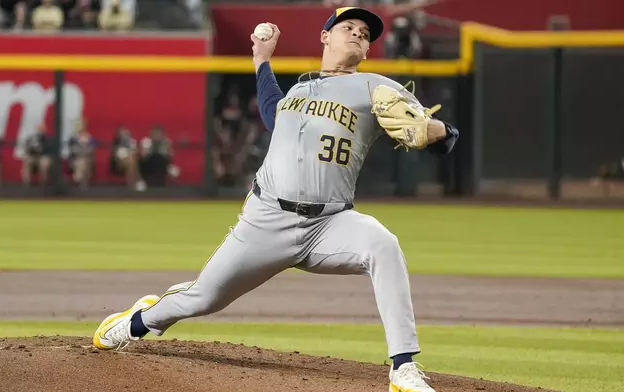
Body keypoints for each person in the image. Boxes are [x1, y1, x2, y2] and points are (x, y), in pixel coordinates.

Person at [93, 7, 459, 392]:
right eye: (348, 27)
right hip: (266, 220)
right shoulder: (299, 91)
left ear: (367, 50)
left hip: (330, 224)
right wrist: (262, 61)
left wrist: (435, 129)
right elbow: (272, 111)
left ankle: (403, 368)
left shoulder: (377, 88)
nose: (357, 34)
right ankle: (136, 322)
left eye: (365, 34)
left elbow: (441, 138)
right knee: (203, 298)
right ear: (325, 37)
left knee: (383, 245)